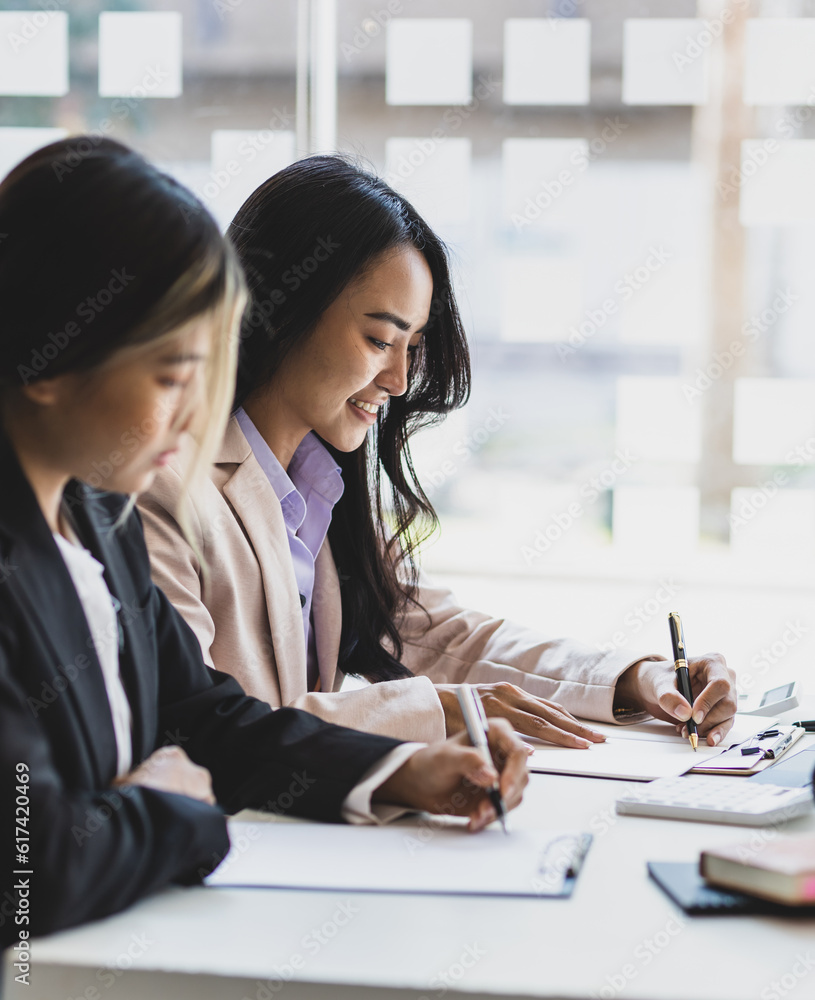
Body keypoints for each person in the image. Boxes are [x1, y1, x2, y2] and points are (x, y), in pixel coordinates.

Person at [0, 138, 528, 946]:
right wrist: (177, 813)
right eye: (174, 375)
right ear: (48, 357)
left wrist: (398, 771)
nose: (199, 409)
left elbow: (208, 722)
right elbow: (29, 866)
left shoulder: (98, 522)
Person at [139, 155, 737, 749]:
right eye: (379, 339)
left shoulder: (314, 488)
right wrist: (430, 711)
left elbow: (443, 639)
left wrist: (639, 680)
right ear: (277, 309)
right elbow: (199, 727)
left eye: (412, 346)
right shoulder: (160, 488)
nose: (399, 380)